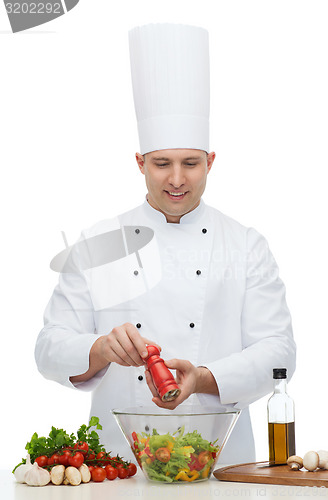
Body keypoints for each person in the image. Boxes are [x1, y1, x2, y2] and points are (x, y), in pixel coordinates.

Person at [35, 24, 296, 464]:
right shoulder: (100, 242)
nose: (177, 179)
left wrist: (205, 377)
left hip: (222, 465)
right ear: (139, 162)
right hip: (119, 467)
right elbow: (47, 348)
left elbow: (280, 351)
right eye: (161, 164)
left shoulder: (245, 245)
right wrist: (98, 350)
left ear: (211, 161)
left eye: (191, 163)